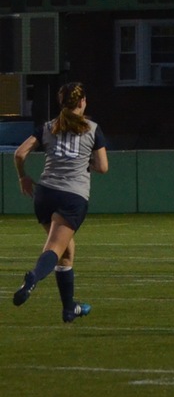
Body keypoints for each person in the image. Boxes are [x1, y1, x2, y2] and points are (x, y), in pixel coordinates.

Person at [12, 82, 108, 321]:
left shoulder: (48, 127)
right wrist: (87, 164)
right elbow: (103, 167)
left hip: (45, 194)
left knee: (66, 251)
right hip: (72, 196)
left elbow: (20, 153)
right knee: (55, 249)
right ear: (83, 102)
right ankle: (33, 277)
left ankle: (69, 309)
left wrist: (23, 176)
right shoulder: (92, 128)